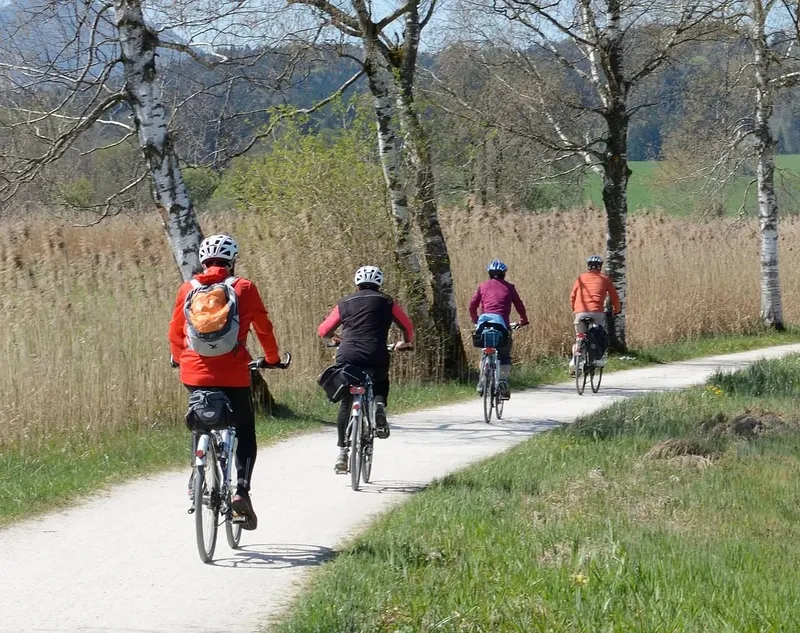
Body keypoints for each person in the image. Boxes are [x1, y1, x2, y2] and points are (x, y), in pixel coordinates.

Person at [168, 234, 282, 530]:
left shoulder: (187, 289)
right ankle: (241, 492)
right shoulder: (243, 287)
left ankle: (197, 472)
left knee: (200, 418)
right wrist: (271, 358)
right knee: (244, 431)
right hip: (233, 374)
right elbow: (263, 328)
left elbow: (175, 332)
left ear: (203, 261)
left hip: (193, 371)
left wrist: (179, 358)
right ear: (232, 261)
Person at [317, 265, 414, 474]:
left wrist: (335, 338)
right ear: (379, 284)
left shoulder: (345, 302)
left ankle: (342, 452)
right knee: (380, 381)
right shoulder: (387, 302)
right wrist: (405, 342)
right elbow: (407, 326)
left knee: (345, 402)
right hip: (376, 353)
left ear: (357, 284)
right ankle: (379, 406)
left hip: (348, 354)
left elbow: (324, 330)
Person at [468, 260, 529, 399]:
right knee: (504, 355)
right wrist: (523, 320)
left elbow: (472, 306)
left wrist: (475, 320)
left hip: (483, 323)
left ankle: (482, 380)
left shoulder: (482, 286)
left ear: (489, 274)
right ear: (504, 274)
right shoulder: (509, 287)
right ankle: (502, 381)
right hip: (501, 325)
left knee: (485, 351)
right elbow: (519, 305)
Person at [569, 254, 621, 373]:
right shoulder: (605, 279)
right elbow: (615, 297)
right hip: (597, 312)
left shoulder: (580, 278)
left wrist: (575, 310)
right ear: (600, 267)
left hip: (580, 312)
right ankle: (598, 358)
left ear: (588, 266)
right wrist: (616, 310)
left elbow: (572, 296)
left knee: (579, 337)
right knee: (599, 335)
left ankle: (574, 360)